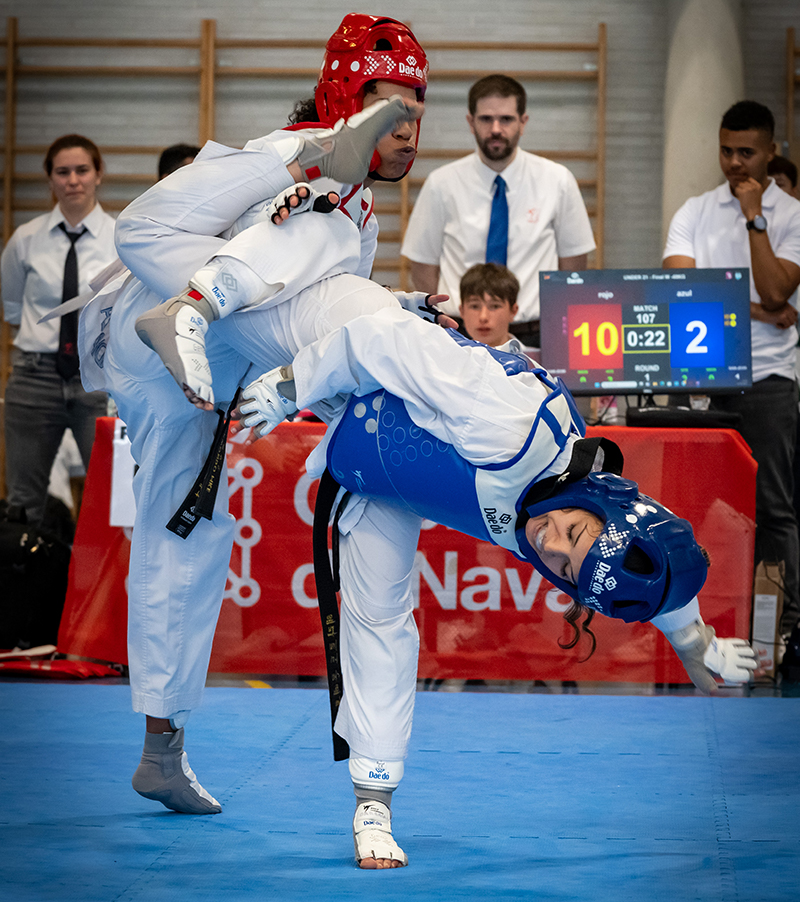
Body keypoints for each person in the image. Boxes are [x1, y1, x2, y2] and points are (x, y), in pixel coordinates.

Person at [79, 14, 431, 870]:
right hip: (153, 328)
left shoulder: (357, 214)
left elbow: (328, 304)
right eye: (386, 108)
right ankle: (195, 304)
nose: (407, 128)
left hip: (206, 363)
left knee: (185, 535)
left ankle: (161, 749)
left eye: (416, 111)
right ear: (346, 103)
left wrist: (403, 323)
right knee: (308, 232)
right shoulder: (282, 153)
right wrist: (312, 158)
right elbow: (139, 234)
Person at [663, 100, 800, 642]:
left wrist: (754, 218)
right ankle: (696, 622)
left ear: (771, 152)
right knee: (697, 506)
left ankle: (782, 631)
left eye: (747, 152)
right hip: (704, 380)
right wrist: (764, 313)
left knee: (774, 508)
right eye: (727, 150)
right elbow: (687, 296)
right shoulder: (693, 211)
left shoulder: (790, 215)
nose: (735, 162)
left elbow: (773, 287)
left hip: (768, 380)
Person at [400, 74, 596, 347]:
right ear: (471, 122)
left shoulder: (558, 181)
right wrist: (438, 328)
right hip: (459, 333)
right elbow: (423, 266)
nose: (495, 129)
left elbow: (573, 269)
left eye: (506, 119)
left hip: (536, 334)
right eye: (485, 119)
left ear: (523, 122)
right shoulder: (441, 184)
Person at [1, 134, 116, 528]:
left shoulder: (121, 240)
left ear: (98, 174)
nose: (73, 180)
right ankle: (24, 585)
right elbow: (14, 308)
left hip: (98, 379)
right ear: (49, 179)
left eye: (82, 170)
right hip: (35, 379)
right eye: (62, 172)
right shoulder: (25, 241)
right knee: (23, 502)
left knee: (114, 497)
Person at [458, 262, 522, 350]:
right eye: (474, 306)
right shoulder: (451, 360)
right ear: (462, 311)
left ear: (513, 311)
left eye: (495, 306)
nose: (483, 317)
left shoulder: (534, 360)